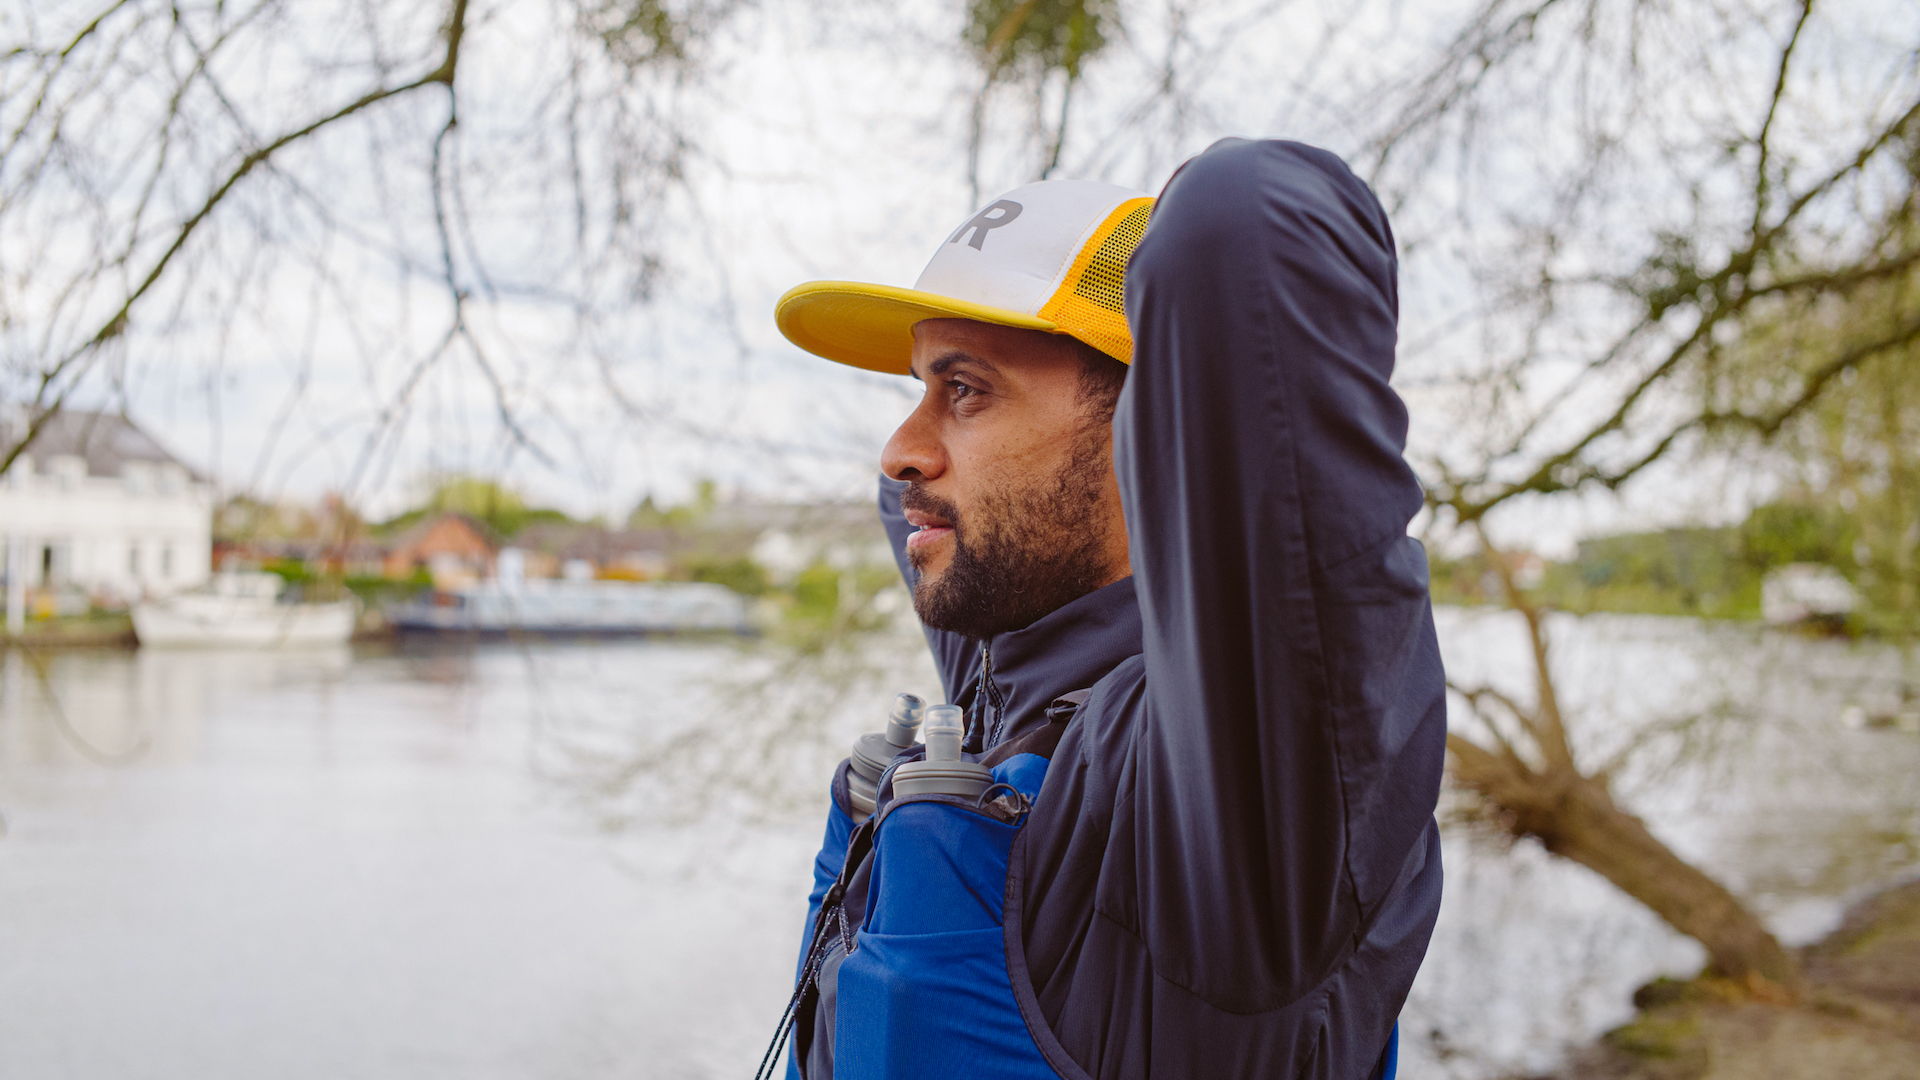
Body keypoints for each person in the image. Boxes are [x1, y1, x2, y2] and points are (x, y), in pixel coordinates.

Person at [765, 138, 1446, 1080]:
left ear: (1147, 436)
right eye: (919, 388)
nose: (899, 449)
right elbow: (932, 515)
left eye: (963, 389)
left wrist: (1165, 328)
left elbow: (1246, 218)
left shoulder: (1228, 804)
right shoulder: (1010, 678)